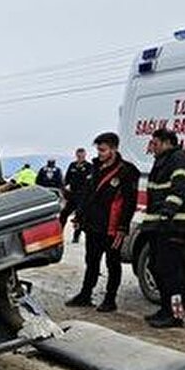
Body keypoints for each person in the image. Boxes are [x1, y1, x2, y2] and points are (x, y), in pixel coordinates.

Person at [64, 133, 139, 312]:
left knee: (112, 263)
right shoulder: (94, 168)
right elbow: (87, 195)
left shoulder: (127, 171)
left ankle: (110, 299)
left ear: (114, 149)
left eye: (103, 150)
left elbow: (130, 202)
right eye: (98, 150)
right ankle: (85, 294)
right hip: (93, 224)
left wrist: (123, 226)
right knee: (91, 260)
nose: (100, 153)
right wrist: (80, 216)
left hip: (112, 227)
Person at [141, 128, 185, 328]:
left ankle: (175, 314)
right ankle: (165, 309)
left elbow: (180, 188)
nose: (152, 148)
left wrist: (167, 212)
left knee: (170, 271)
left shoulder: (181, 159)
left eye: (155, 143)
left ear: (167, 142)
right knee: (157, 267)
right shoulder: (163, 161)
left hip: (175, 225)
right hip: (160, 224)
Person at [60, 147, 93, 243]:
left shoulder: (89, 166)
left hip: (82, 196)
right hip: (72, 195)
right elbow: (67, 179)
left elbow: (90, 182)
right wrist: (64, 189)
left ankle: (76, 236)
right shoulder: (72, 165)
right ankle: (59, 233)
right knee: (63, 214)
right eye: (78, 156)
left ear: (84, 156)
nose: (80, 158)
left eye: (81, 156)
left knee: (79, 216)